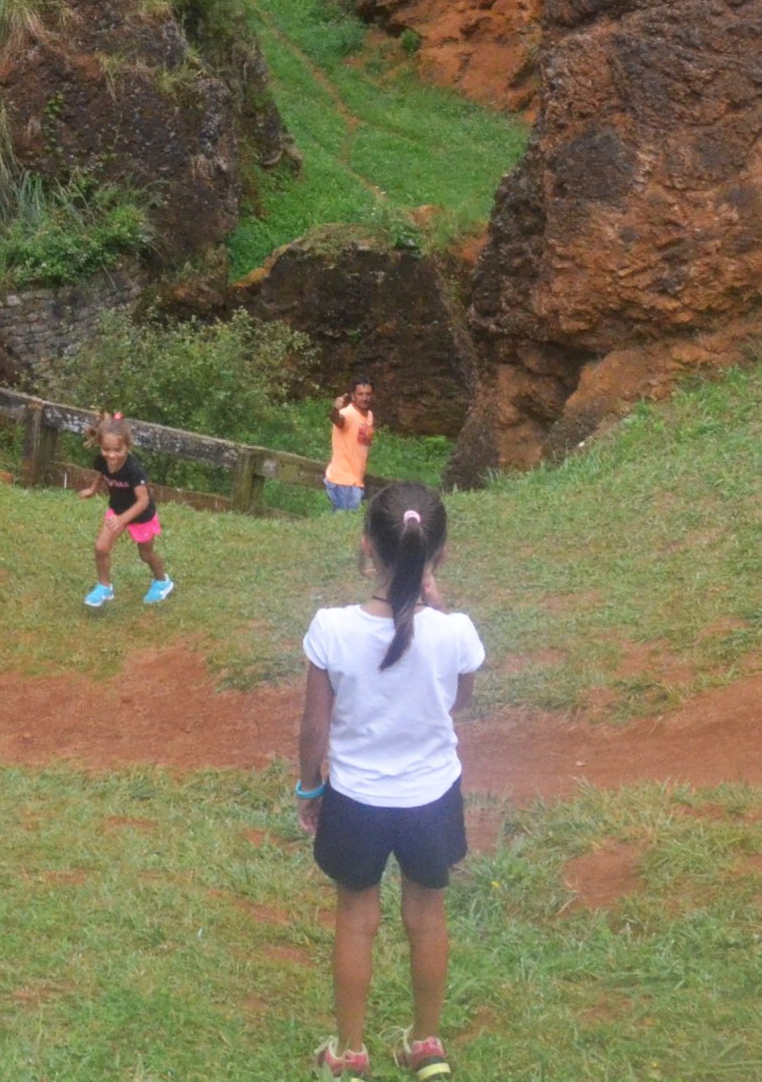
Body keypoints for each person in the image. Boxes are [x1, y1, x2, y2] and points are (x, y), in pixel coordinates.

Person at [294, 482, 480, 1081]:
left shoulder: (331, 628)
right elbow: (459, 702)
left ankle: (349, 1054)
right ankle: (426, 1045)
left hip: (356, 799)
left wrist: (309, 789)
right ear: (440, 555)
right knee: (427, 916)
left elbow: (313, 728)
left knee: (356, 918)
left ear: (365, 547)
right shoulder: (455, 633)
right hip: (431, 798)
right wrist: (438, 603)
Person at [76, 415, 173, 609]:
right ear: (100, 446)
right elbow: (102, 474)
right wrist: (93, 489)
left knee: (146, 555)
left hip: (140, 515)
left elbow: (143, 501)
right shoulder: (102, 461)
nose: (111, 455)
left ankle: (162, 582)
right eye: (106, 450)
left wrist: (122, 519)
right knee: (101, 548)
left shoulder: (134, 470)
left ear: (127, 446)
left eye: (117, 450)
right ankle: (104, 587)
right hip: (117, 510)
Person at [325, 382, 376, 513]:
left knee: (341, 525)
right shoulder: (348, 413)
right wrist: (335, 410)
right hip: (342, 481)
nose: (365, 398)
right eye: (360, 394)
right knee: (343, 524)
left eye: (368, 394)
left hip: (356, 481)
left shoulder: (369, 415)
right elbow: (337, 419)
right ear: (353, 396)